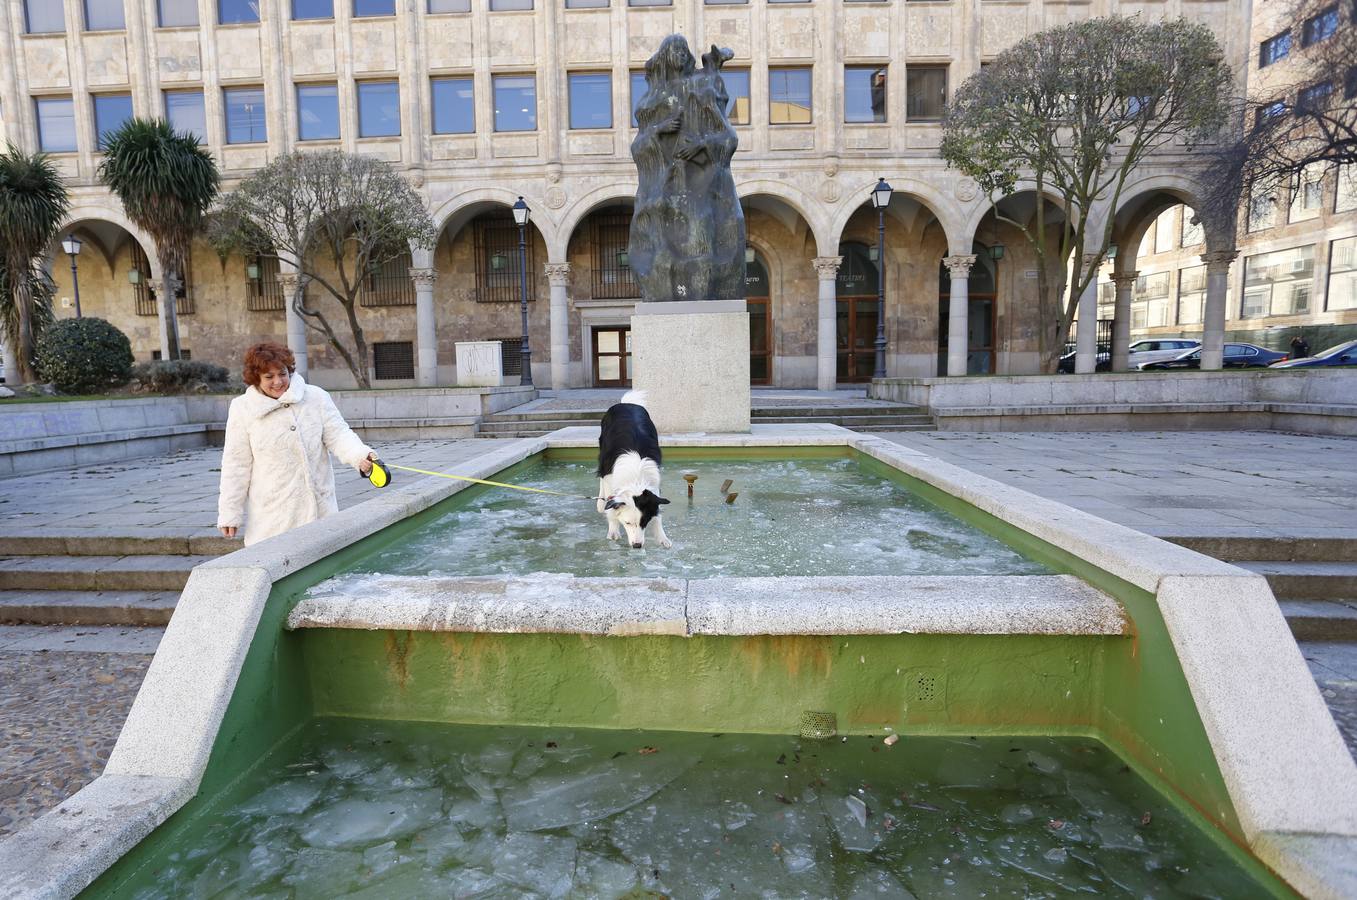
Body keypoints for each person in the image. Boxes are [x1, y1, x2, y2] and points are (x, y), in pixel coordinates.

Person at [217, 342, 377, 546]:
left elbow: (339, 435)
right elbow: (235, 464)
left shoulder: (315, 397)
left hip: (320, 512)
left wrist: (360, 456)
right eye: (269, 377)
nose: (278, 382)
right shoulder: (242, 409)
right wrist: (230, 512)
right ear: (255, 378)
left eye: (282, 374)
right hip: (272, 518)